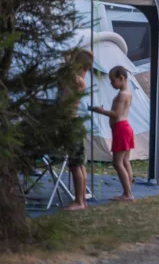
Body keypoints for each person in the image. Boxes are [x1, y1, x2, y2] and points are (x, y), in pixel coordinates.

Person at [91, 66, 135, 201]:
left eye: (112, 80)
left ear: (121, 78)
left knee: (117, 163)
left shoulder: (122, 94)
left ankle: (127, 194)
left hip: (121, 129)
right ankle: (128, 191)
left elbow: (116, 114)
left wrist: (99, 110)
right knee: (126, 161)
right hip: (125, 128)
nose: (111, 84)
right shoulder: (128, 92)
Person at [62, 49, 94, 211]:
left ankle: (79, 201)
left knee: (76, 165)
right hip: (73, 123)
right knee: (79, 165)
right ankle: (82, 200)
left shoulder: (78, 81)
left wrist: (69, 58)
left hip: (73, 124)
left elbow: (69, 72)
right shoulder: (77, 79)